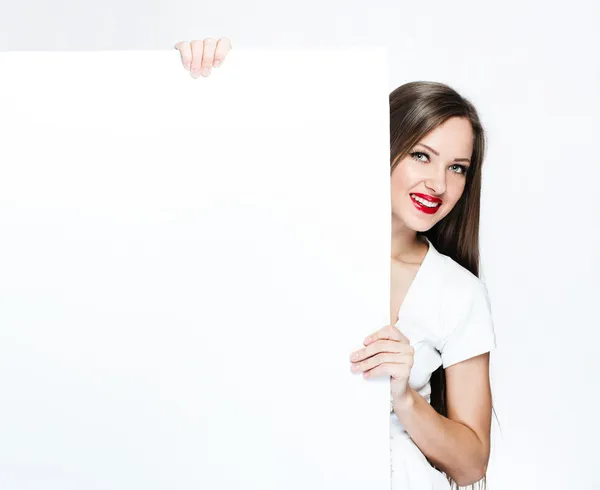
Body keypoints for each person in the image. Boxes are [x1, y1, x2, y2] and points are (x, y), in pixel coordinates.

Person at [173, 38, 497, 490]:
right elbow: (204, 194)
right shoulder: (295, 238)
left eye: (457, 167)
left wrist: (404, 397)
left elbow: (471, 465)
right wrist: (201, 76)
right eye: (421, 155)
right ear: (382, 146)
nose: (438, 183)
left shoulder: (457, 292)